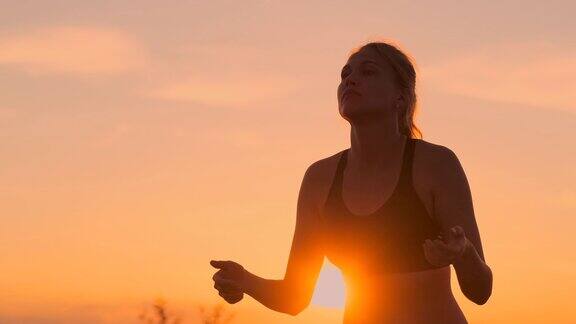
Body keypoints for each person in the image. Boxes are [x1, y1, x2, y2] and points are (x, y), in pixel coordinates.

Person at [210, 40, 493, 323]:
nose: (350, 80)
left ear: (401, 97)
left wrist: (463, 253)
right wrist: (244, 280)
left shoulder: (436, 164)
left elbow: (480, 291)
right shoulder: (319, 179)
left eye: (368, 72)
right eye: (345, 75)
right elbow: (295, 296)